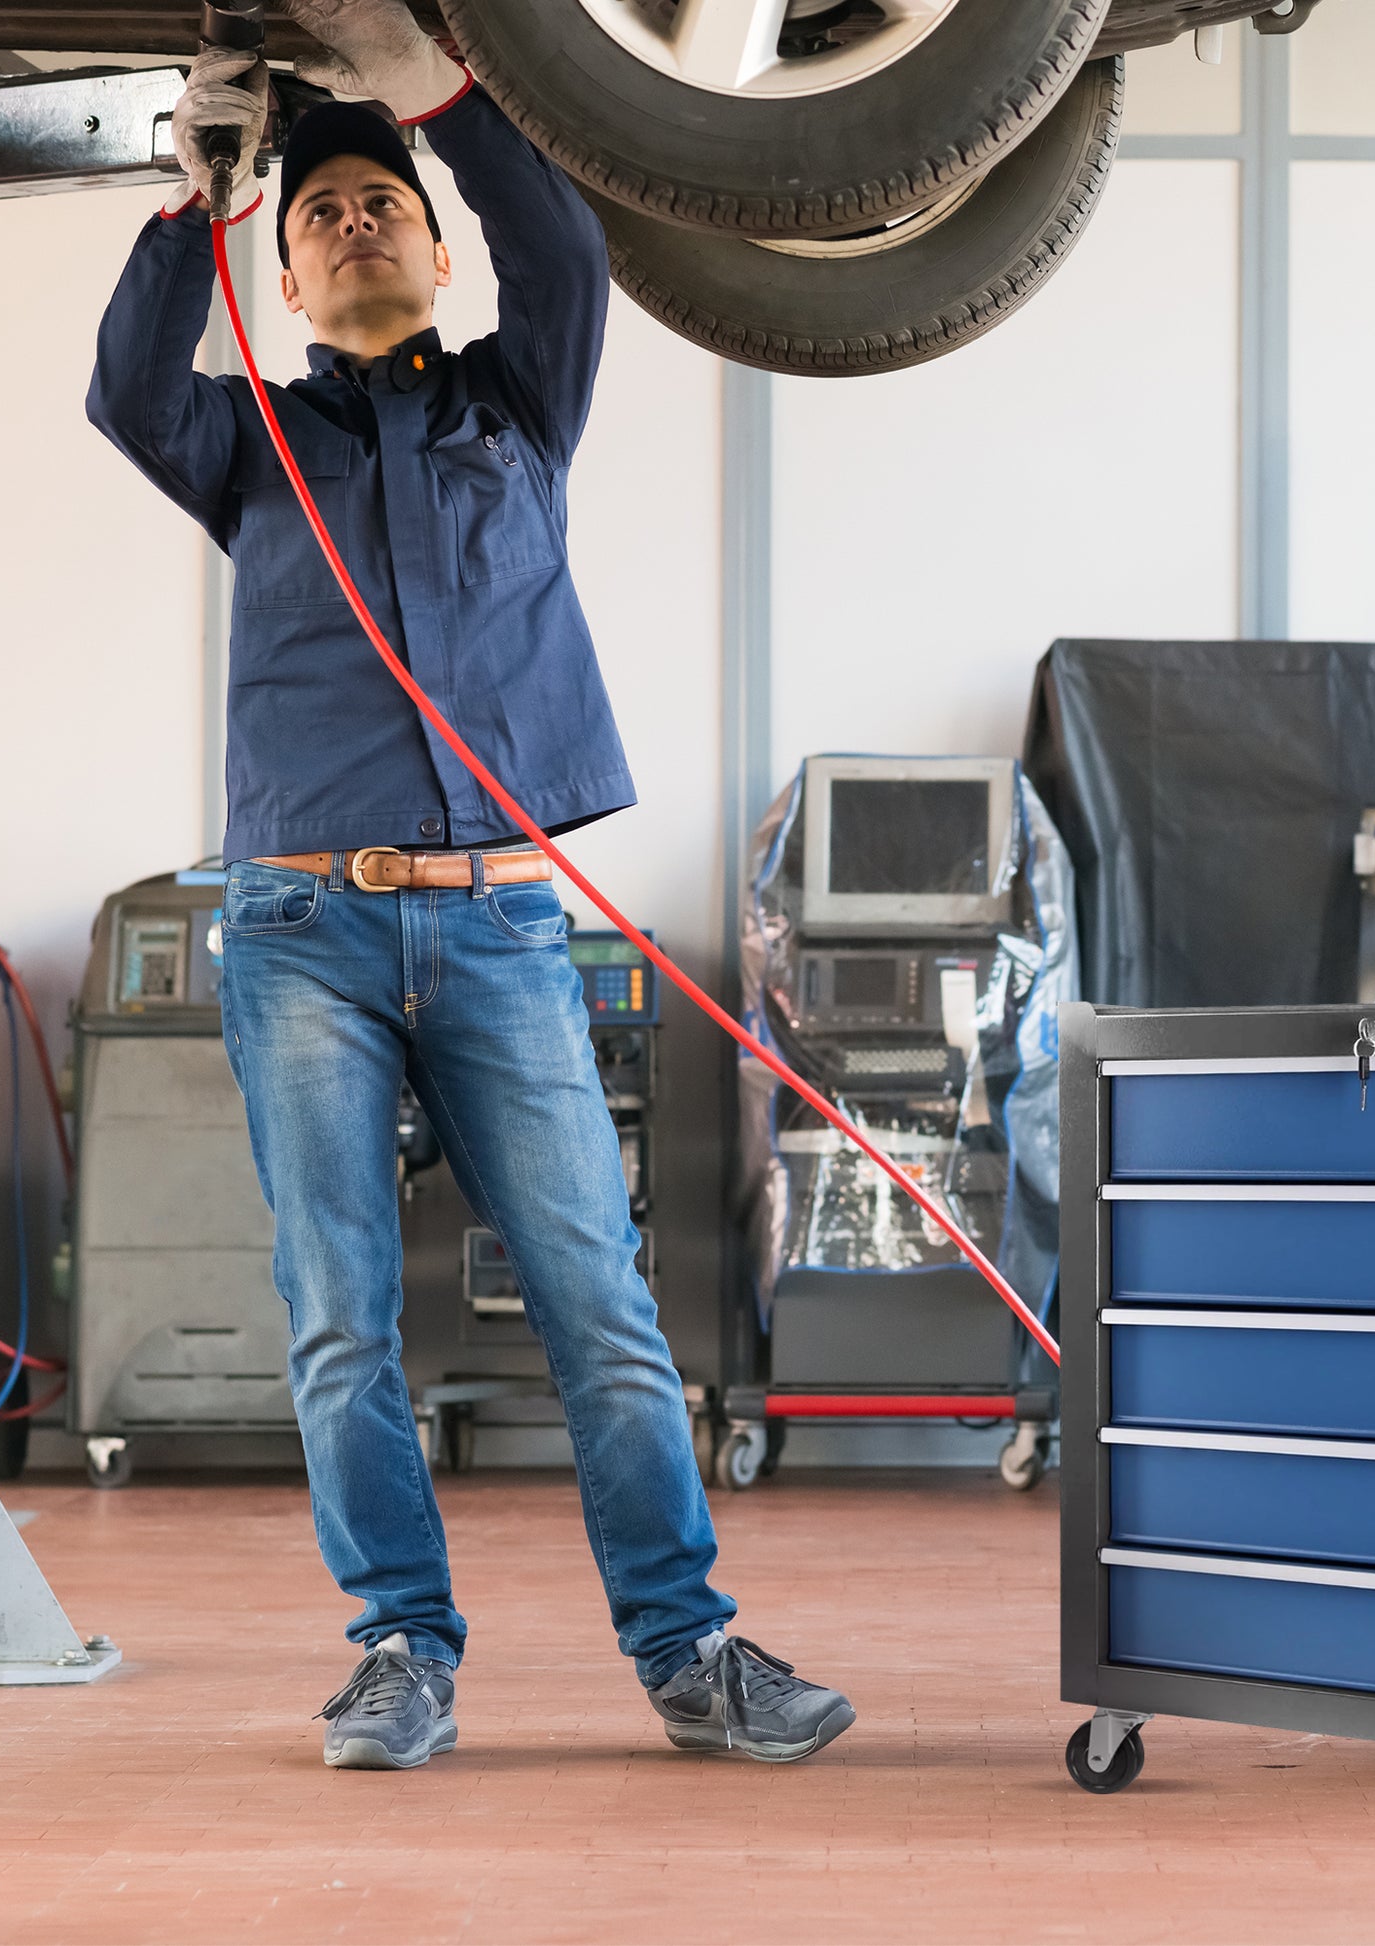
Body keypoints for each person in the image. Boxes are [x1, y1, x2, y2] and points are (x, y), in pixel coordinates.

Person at [85, 0, 853, 1772]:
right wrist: (197, 195)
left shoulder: (521, 404)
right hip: (299, 934)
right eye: (320, 214)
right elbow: (127, 388)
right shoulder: (247, 445)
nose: (354, 220)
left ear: (438, 254)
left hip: (501, 924)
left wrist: (428, 92)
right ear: (285, 279)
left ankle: (689, 1649)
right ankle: (399, 1651)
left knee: (598, 1300)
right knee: (340, 1315)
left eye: (385, 206)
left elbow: (566, 248)